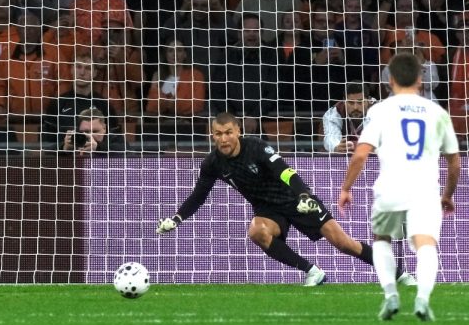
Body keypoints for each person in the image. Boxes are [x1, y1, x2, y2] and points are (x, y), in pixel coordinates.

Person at [157, 111, 413, 287]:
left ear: (238, 131)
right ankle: (312, 272)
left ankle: (400, 275)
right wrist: (176, 218)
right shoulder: (212, 163)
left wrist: (304, 195)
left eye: (228, 132)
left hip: (295, 198)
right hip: (268, 209)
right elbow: (199, 195)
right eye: (218, 134)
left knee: (343, 243)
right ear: (212, 136)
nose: (223, 139)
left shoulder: (256, 147)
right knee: (257, 231)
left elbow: (285, 172)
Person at [338, 53, 460, 321]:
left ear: (390, 80)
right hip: (425, 191)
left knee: (382, 239)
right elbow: (454, 161)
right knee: (425, 244)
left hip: (389, 189)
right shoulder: (438, 113)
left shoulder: (380, 111)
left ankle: (391, 294)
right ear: (420, 80)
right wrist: (448, 194)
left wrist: (346, 188)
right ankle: (423, 299)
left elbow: (360, 155)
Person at [322, 82, 374, 153]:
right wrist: (337, 147)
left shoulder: (379, 111)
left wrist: (355, 145)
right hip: (343, 157)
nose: (355, 107)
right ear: (344, 101)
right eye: (351, 102)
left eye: (360, 102)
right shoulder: (334, 113)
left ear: (368, 101)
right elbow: (330, 138)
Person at [61, 108, 125, 156]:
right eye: (85, 132)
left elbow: (126, 152)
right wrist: (64, 149)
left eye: (95, 131)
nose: (90, 135)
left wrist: (98, 148)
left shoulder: (116, 138)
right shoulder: (74, 139)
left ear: (104, 128)